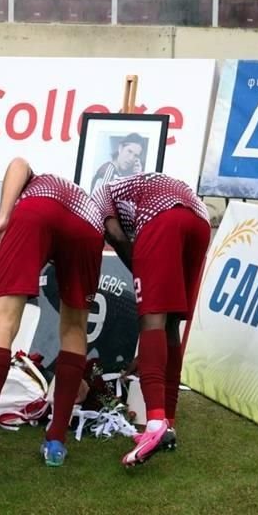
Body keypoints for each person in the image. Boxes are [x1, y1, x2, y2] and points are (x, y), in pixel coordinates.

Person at [0, 157, 105, 481]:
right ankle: (56, 443)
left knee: (4, 322)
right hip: (88, 223)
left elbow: (18, 162)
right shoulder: (67, 189)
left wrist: (4, 216)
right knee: (75, 327)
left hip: (39, 209)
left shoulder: (29, 192)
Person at [90, 172, 211, 467]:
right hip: (201, 220)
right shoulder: (132, 186)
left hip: (162, 217)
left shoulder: (99, 195)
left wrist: (143, 269)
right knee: (171, 326)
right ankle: (168, 420)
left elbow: (116, 235)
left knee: (152, 321)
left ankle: (154, 421)